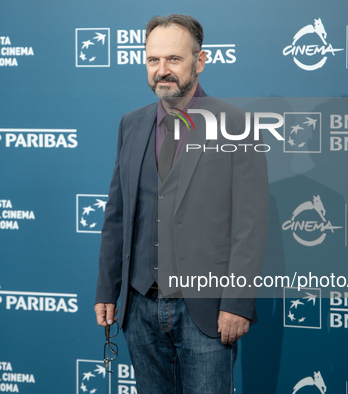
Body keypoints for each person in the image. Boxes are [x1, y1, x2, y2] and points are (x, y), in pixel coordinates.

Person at [95, 14, 268, 393]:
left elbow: (250, 225)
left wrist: (237, 303)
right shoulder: (131, 124)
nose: (163, 71)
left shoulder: (237, 125)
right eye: (153, 60)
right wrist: (108, 290)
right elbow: (117, 216)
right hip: (139, 309)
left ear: (200, 61)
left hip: (205, 311)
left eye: (174, 59)